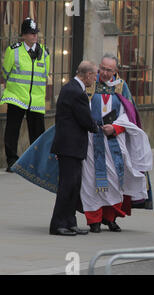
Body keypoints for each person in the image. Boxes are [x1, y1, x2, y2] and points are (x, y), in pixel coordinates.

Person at [82, 54, 153, 233]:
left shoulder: (121, 87)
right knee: (92, 181)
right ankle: (94, 219)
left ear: (116, 71)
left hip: (114, 140)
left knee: (115, 179)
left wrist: (116, 128)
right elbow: (81, 108)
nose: (105, 73)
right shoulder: (90, 83)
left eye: (109, 70)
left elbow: (129, 115)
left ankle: (110, 217)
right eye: (103, 69)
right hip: (92, 141)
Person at [49, 61, 99, 236]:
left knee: (74, 186)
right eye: (94, 75)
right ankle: (58, 224)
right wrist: (97, 127)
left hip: (72, 147)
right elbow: (85, 119)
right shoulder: (76, 92)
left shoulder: (72, 88)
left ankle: (70, 222)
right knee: (67, 186)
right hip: (69, 147)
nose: (95, 79)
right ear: (86, 75)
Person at [0, 18, 50, 172]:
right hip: (17, 96)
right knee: (12, 130)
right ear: (23, 35)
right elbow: (5, 72)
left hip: (36, 99)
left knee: (38, 133)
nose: (34, 36)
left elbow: (45, 75)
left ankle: (36, 163)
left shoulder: (44, 52)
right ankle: (12, 161)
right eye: (30, 33)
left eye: (35, 33)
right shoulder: (13, 50)